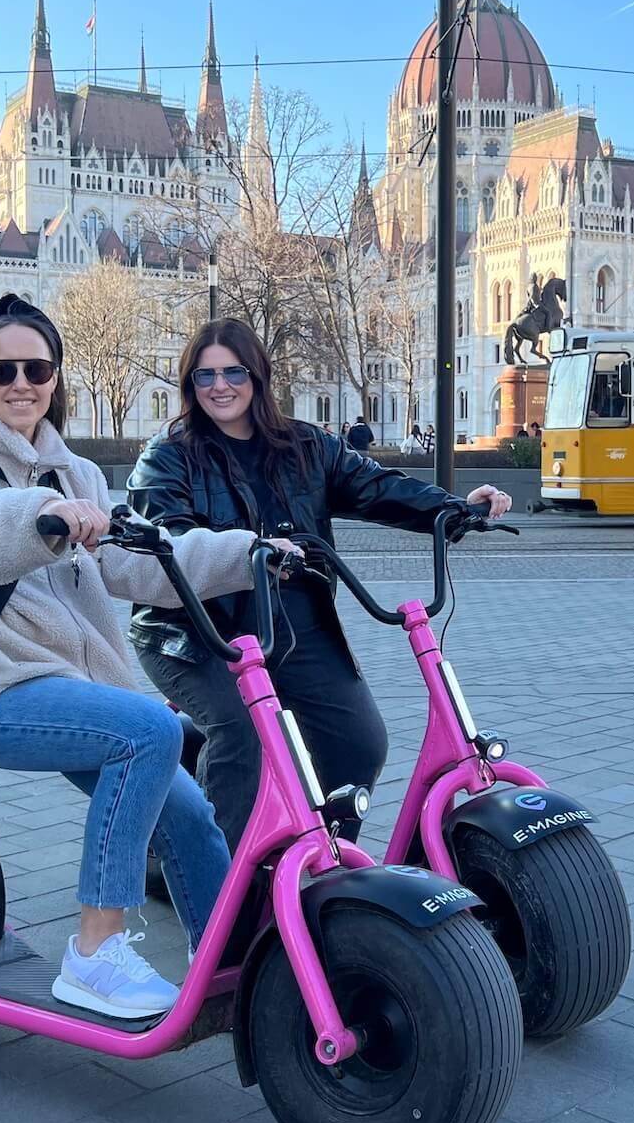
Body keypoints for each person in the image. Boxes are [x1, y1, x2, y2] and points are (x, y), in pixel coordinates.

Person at [0, 293, 278, 1018]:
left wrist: (251, 553)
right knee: (151, 729)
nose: (20, 383)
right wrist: (40, 515)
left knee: (190, 812)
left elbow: (143, 563)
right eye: (1, 369)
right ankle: (95, 955)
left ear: (55, 375)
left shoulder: (77, 473)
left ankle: (234, 969)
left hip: (66, 692)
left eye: (35, 368)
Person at [127, 318, 513, 852]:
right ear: (190, 385)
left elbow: (375, 488)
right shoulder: (166, 456)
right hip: (196, 630)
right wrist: (243, 551)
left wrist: (454, 509)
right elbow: (168, 535)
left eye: (233, 372)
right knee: (242, 736)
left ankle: (321, 859)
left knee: (359, 742)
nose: (220, 386)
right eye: (204, 376)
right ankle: (227, 892)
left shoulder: (306, 445)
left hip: (291, 620)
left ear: (257, 376)